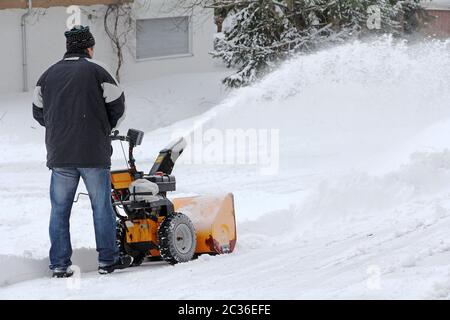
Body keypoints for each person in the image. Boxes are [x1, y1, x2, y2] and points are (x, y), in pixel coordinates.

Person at [32, 25, 133, 278]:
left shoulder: (47, 76)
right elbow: (118, 106)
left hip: (60, 155)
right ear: (89, 48)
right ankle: (108, 261)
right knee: (101, 207)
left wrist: (59, 129)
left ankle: (59, 264)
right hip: (93, 154)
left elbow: (38, 112)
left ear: (68, 48)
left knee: (59, 209)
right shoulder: (98, 71)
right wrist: (102, 128)